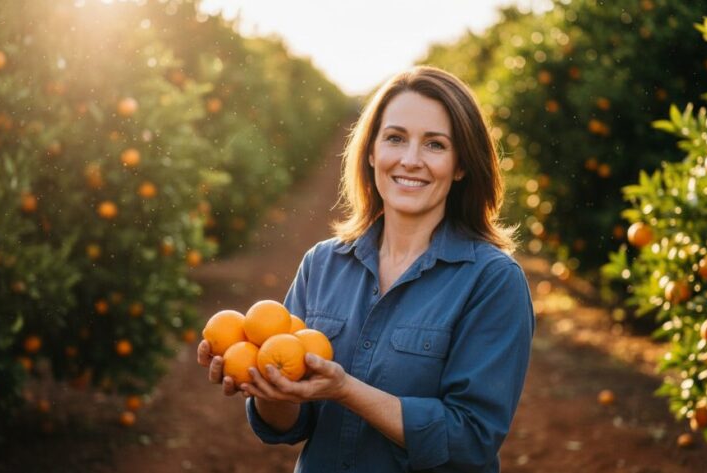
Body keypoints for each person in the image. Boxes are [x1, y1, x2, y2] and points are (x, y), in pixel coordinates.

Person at [198, 65, 535, 472]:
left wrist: (345, 390)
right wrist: (270, 388)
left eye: (435, 145)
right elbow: (290, 425)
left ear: (461, 165)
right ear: (372, 151)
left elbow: (470, 439)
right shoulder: (323, 264)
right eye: (395, 138)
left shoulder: (492, 280)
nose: (410, 160)